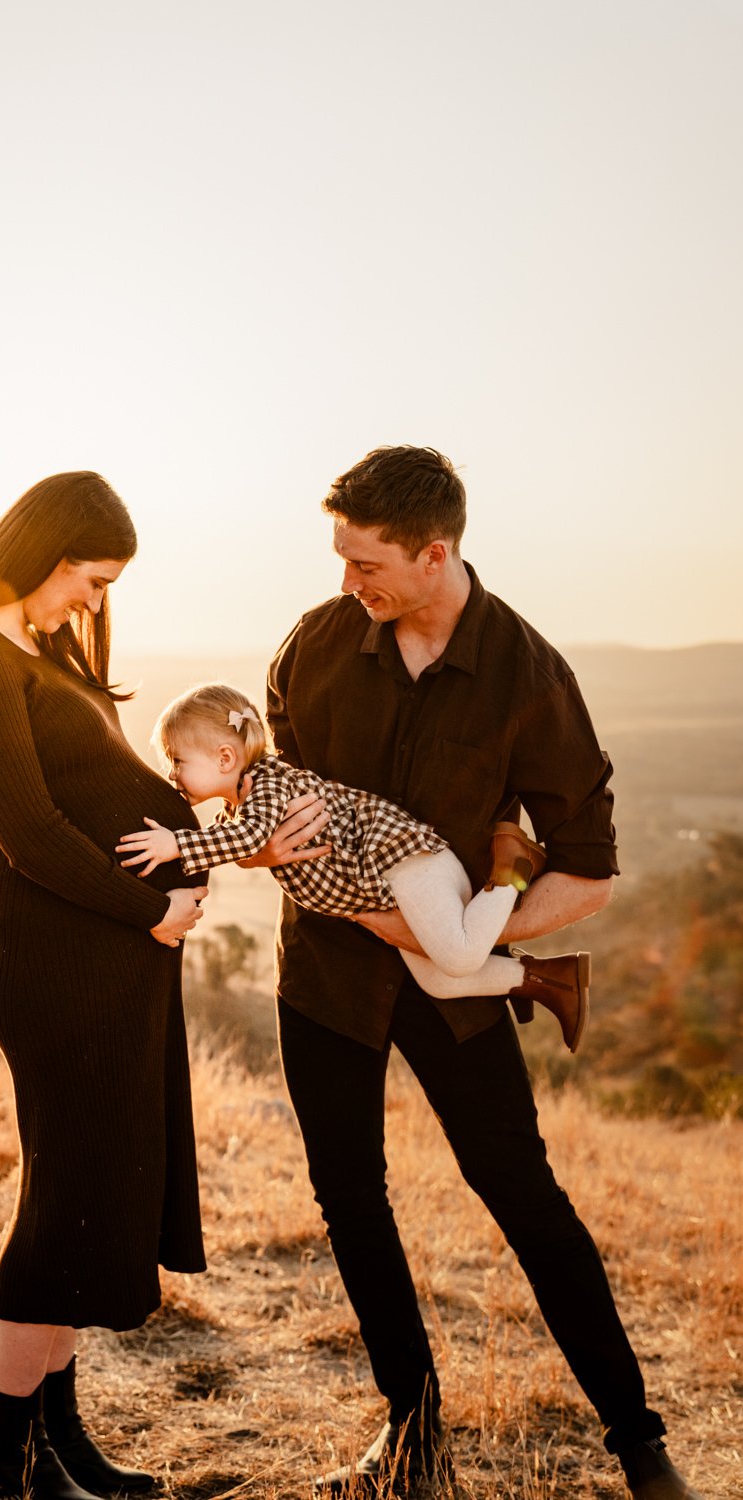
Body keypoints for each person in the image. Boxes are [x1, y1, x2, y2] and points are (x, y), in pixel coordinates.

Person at [238, 447, 702, 1499]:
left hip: (455, 998)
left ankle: (638, 1443)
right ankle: (410, 1437)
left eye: (366, 564)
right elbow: (276, 805)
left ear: (434, 551)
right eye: (341, 559)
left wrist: (468, 950)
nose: (347, 583)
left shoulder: (530, 678)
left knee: (523, 1196)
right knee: (349, 1199)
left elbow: (588, 872)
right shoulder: (313, 644)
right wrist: (302, 868)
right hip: (321, 975)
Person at [0, 472, 209, 1500]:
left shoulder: (44, 645)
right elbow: (28, 834)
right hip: (48, 957)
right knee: (65, 1200)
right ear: (43, 550)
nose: (95, 600)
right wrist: (151, 909)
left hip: (104, 961)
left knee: (89, 1200)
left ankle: (58, 1442)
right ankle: (2, 1451)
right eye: (89, 578)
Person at [115, 682, 589, 1051]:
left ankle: (511, 866)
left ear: (225, 756)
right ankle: (551, 980)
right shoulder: (237, 808)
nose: (171, 774)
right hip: (386, 886)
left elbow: (249, 838)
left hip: (402, 859)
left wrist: (176, 844)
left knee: (459, 956)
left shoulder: (267, 785)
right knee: (440, 980)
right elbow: (237, 840)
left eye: (177, 761)